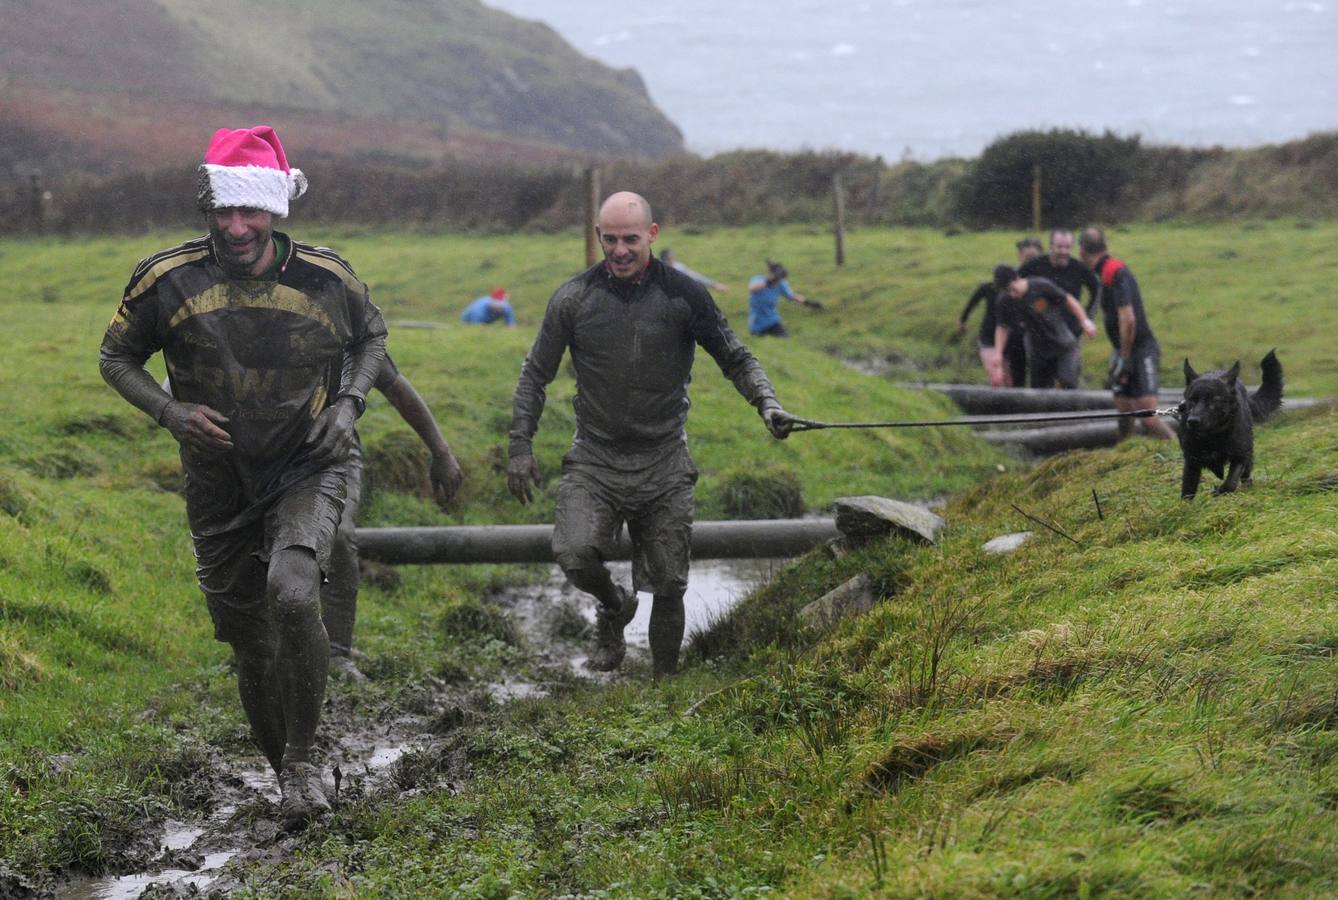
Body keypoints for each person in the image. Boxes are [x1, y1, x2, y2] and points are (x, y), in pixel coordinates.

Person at [99, 126, 387, 830]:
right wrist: (170, 411)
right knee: (249, 640)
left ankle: (304, 756)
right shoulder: (165, 279)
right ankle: (286, 779)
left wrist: (348, 404)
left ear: (276, 210)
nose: (235, 227)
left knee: (291, 592)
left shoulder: (328, 277)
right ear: (207, 205)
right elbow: (115, 358)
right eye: (223, 210)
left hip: (307, 464)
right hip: (218, 479)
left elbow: (372, 339)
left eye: (249, 211)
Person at [506, 191, 795, 677]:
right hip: (595, 455)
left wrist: (767, 403)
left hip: (664, 457)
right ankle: (614, 603)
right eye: (611, 239)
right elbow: (535, 374)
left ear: (653, 236)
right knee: (573, 554)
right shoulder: (574, 299)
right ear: (599, 236)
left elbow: (736, 357)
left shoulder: (685, 296)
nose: (620, 251)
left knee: (669, 581)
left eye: (631, 240)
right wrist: (520, 446)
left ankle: (664, 685)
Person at [322, 355, 463, 682]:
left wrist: (441, 452)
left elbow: (396, 388)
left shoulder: (345, 317)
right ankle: (264, 644)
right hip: (269, 448)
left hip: (334, 450)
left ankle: (336, 653)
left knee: (339, 535)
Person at [1078, 226, 1175, 440]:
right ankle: (1124, 456)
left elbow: (1128, 319)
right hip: (1123, 350)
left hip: (1140, 350)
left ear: (1082, 251)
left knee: (1147, 416)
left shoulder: (1114, 270)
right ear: (1105, 245)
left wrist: (1125, 356)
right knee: (1124, 412)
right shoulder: (1101, 274)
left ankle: (1179, 454)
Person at [1018, 229, 1102, 387]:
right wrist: (1022, 317)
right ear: (1051, 246)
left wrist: (1087, 318)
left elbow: (1096, 288)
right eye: (1059, 247)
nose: (1063, 251)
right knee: (1039, 385)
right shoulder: (1034, 266)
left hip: (1069, 336)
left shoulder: (1079, 268)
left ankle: (1071, 409)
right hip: (1038, 336)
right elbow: (1014, 287)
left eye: (1067, 247)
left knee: (1068, 382)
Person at [993, 264, 1097, 389]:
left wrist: (1085, 322)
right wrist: (998, 354)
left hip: (1062, 343)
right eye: (1007, 291)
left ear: (1018, 278)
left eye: (1013, 289)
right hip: (1037, 348)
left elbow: (1069, 300)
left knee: (1067, 382)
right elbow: (1002, 327)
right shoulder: (1005, 300)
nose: (1012, 294)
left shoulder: (1041, 286)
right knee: (1039, 388)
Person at [957, 236, 1042, 387]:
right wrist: (963, 321)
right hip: (994, 336)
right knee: (999, 379)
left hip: (1020, 337)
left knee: (1014, 379)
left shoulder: (1038, 284)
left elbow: (1046, 305)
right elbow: (972, 303)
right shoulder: (991, 288)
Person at [747, 259, 818, 337]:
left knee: (785, 338)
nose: (778, 281)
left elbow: (792, 296)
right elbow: (751, 288)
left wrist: (808, 303)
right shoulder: (758, 279)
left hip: (772, 321)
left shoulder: (780, 284)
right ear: (769, 273)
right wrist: (768, 281)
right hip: (757, 322)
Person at [660, 248, 728, 291]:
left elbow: (695, 277)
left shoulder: (678, 267)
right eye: (668, 259)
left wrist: (714, 285)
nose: (671, 261)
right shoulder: (659, 270)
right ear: (663, 260)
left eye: (672, 259)